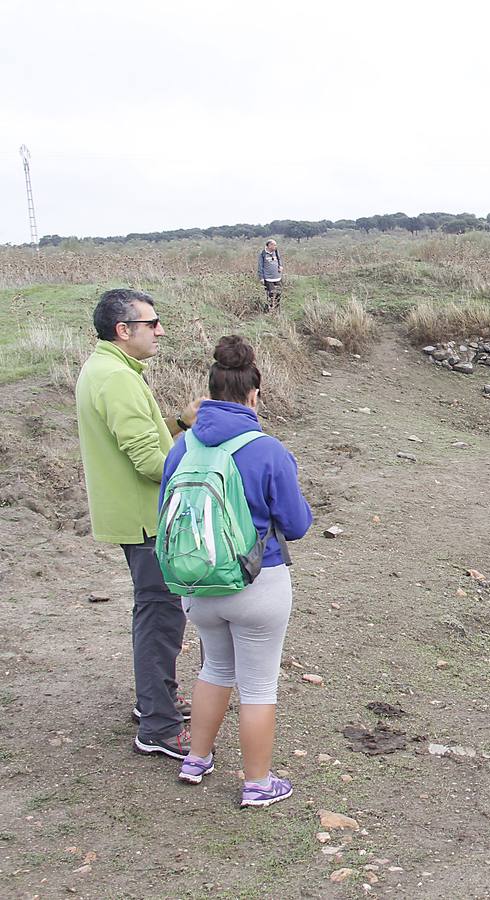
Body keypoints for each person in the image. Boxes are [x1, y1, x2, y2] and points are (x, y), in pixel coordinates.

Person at [164, 335, 313, 807]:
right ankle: (257, 783)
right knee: (258, 684)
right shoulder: (267, 450)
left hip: (197, 582)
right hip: (257, 581)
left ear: (207, 393)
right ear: (254, 395)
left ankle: (196, 759)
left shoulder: (182, 447)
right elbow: (297, 524)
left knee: (214, 669)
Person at [75, 288, 201, 759]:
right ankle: (159, 727)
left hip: (135, 515)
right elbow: (151, 462)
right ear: (123, 330)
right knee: (160, 615)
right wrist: (202, 456)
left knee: (158, 612)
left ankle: (158, 702)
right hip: (144, 519)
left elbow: (143, 440)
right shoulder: (117, 379)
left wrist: (179, 422)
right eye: (152, 323)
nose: (160, 331)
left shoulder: (109, 370)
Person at [257, 239, 283, 311]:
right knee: (270, 294)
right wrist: (261, 277)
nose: (275, 246)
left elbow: (279, 259)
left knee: (278, 293)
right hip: (268, 278)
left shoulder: (276, 251)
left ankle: (277, 309)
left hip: (277, 277)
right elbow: (260, 266)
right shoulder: (262, 253)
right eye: (274, 245)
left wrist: (280, 266)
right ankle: (269, 309)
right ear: (269, 245)